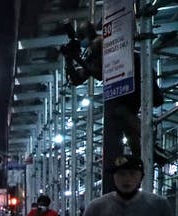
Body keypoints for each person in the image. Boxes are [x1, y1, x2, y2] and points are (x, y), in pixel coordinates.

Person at [62, 21, 167, 180]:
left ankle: (149, 142)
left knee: (122, 112)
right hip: (129, 78)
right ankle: (144, 155)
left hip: (135, 75)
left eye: (81, 39)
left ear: (86, 36)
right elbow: (77, 79)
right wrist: (69, 61)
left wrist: (77, 59)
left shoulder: (100, 43)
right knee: (126, 123)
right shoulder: (93, 49)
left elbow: (100, 73)